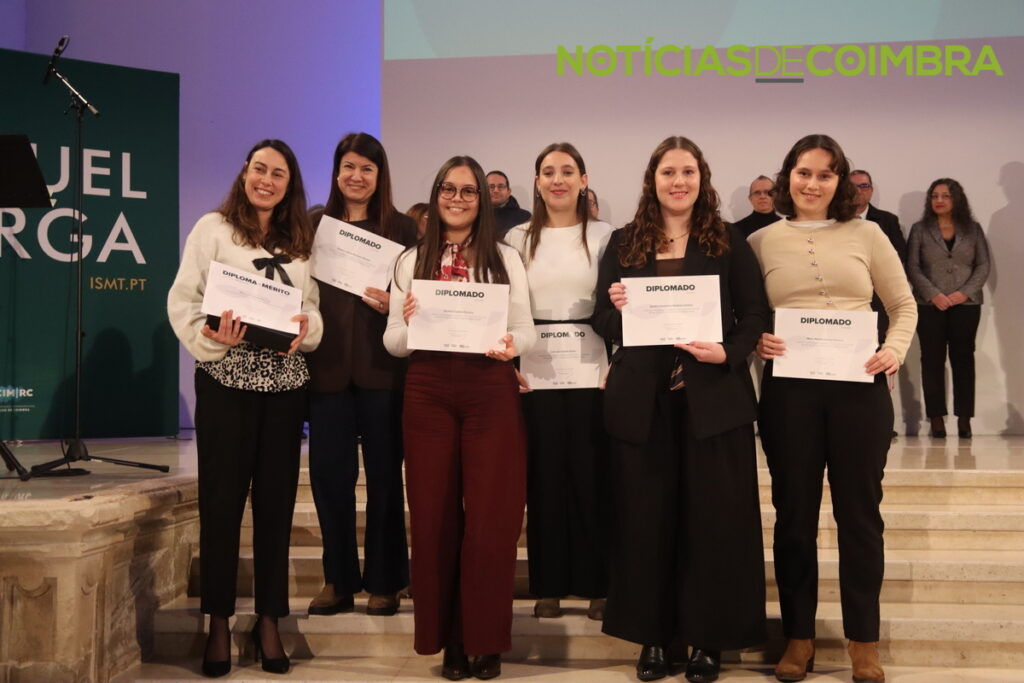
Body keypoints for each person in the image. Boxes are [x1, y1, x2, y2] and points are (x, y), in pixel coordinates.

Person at [593, 136, 769, 683]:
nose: (678, 181)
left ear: (702, 179)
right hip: (643, 405)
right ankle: (654, 638)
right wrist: (619, 309)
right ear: (653, 180)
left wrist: (729, 353)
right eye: (668, 172)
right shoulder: (624, 242)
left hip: (712, 401)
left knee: (714, 524)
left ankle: (707, 640)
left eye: (688, 172)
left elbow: (755, 315)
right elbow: (603, 320)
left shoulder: (728, 240)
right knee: (645, 523)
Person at [748, 134, 916, 683]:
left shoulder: (868, 233)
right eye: (803, 172)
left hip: (858, 393)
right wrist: (757, 340)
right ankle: (798, 638)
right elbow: (745, 316)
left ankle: (863, 641)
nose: (812, 183)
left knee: (860, 518)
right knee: (794, 518)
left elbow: (902, 304)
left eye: (825, 174)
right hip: (789, 395)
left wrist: (893, 351)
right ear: (787, 178)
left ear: (839, 181)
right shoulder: (761, 241)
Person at [167, 139, 323, 677]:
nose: (267, 180)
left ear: (289, 185)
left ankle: (270, 620)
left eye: (278, 174)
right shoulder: (212, 229)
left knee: (276, 507)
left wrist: (306, 331)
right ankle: (217, 621)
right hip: (225, 381)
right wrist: (212, 338)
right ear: (244, 173)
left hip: (284, 386)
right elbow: (183, 300)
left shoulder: (300, 242)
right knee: (222, 504)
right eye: (260, 169)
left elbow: (313, 310)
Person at [384, 156, 535, 680]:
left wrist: (512, 345)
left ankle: (485, 639)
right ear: (436, 194)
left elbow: (526, 329)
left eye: (468, 191)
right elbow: (393, 342)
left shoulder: (505, 257)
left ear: (482, 200)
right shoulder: (410, 259)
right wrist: (407, 324)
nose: (457, 198)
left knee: (492, 521)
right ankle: (449, 638)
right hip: (427, 391)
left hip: (489, 387)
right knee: (433, 519)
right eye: (448, 189)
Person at [304, 132, 416, 619]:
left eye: (367, 168)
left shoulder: (404, 229)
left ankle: (386, 581)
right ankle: (338, 579)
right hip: (326, 371)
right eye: (349, 167)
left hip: (383, 372)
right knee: (330, 479)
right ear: (336, 173)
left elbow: (421, 294)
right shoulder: (313, 224)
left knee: (386, 481)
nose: (357, 176)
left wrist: (397, 303)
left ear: (380, 175)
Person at [504, 142, 614, 622]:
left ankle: (597, 584)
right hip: (536, 368)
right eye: (548, 172)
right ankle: (548, 584)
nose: (558, 180)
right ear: (537, 182)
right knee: (544, 477)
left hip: (593, 367)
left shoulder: (607, 236)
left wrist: (618, 360)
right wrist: (509, 364)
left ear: (583, 180)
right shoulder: (516, 238)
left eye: (568, 171)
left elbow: (616, 304)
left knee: (593, 477)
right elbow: (506, 305)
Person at [906, 178, 991, 439]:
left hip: (966, 304)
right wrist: (933, 295)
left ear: (957, 199)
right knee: (931, 360)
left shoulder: (973, 229)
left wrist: (962, 293)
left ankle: (964, 419)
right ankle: (936, 419)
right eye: (935, 196)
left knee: (963, 359)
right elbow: (912, 266)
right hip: (929, 305)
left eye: (945, 195)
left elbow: (983, 265)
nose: (939, 200)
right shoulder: (920, 229)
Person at [487, 169, 531, 237]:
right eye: (491, 187)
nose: (496, 190)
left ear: (509, 192)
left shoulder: (525, 218)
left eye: (501, 186)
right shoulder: (475, 216)